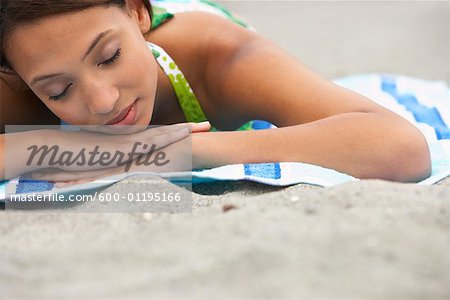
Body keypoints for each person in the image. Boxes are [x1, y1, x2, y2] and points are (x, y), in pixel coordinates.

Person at [0, 0, 432, 184]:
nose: (102, 101)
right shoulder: (27, 70)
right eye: (60, 91)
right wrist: (50, 144)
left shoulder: (219, 57)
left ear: (137, 12)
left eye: (110, 56)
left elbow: (401, 148)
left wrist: (173, 150)